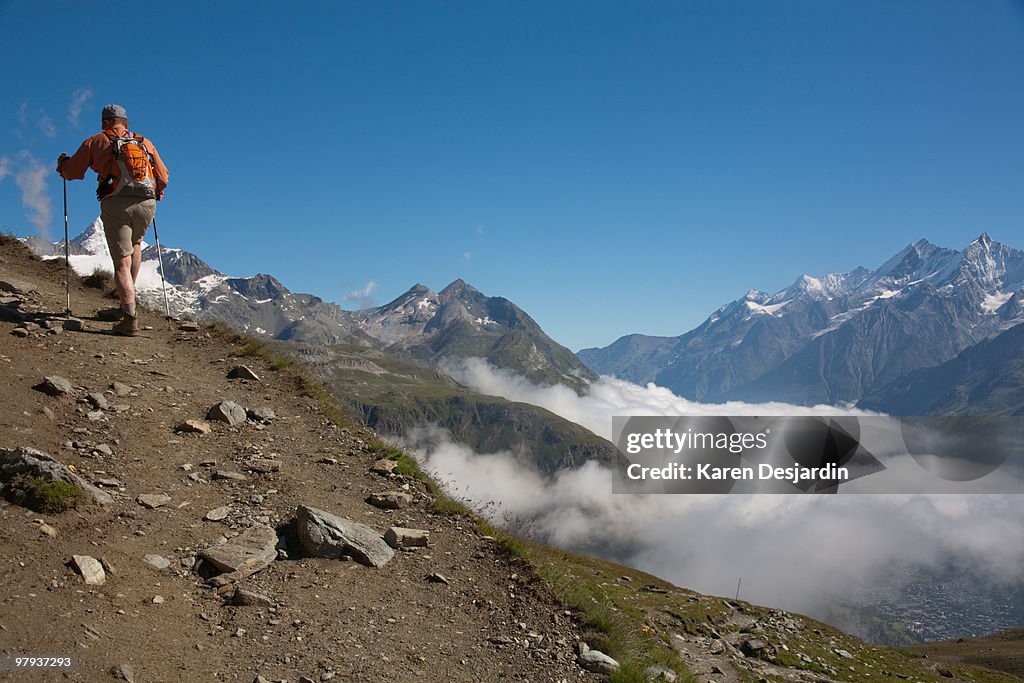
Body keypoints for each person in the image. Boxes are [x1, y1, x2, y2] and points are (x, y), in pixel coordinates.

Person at [57, 104, 170, 336]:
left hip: (117, 202)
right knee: (135, 245)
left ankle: (129, 318)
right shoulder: (144, 142)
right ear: (125, 122)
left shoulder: (97, 140)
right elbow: (164, 176)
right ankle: (125, 306)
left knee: (121, 262)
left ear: (107, 122)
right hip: (147, 203)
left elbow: (73, 173)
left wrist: (63, 165)